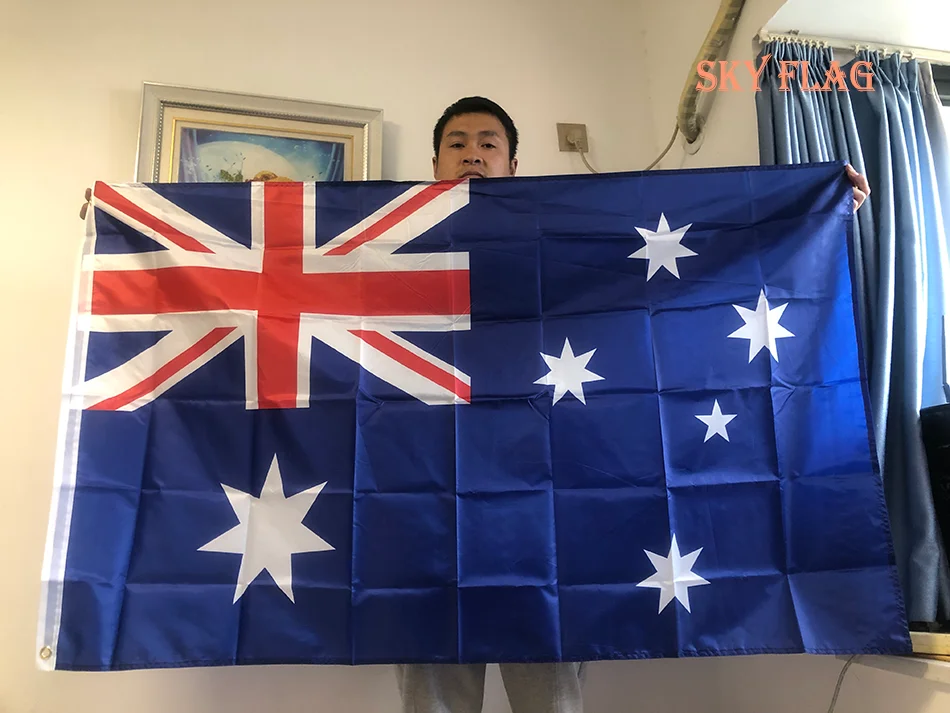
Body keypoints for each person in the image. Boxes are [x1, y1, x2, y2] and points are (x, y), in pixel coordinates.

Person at [75, 97, 871, 713]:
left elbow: (687, 270)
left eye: (488, 142)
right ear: (434, 161)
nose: (472, 152)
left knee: (551, 700)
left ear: (514, 160)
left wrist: (816, 208)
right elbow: (263, 264)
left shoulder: (567, 241)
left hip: (542, 523)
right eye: (456, 142)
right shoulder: (382, 245)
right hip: (419, 521)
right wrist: (120, 228)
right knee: (433, 701)